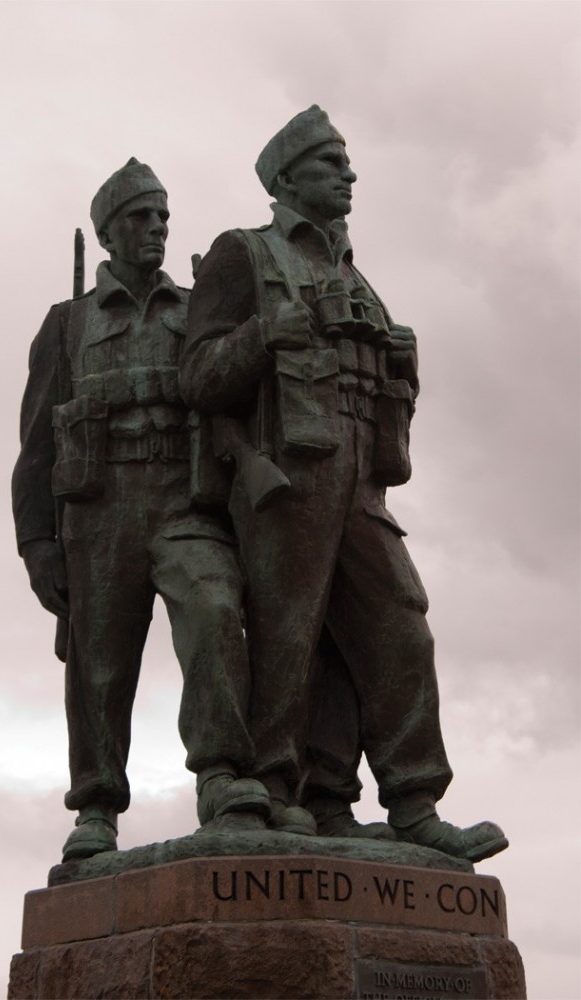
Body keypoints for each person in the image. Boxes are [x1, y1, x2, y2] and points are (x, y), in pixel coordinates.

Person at [180, 107, 508, 861]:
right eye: (332, 163)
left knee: (399, 622)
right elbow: (197, 378)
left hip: (361, 479)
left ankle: (414, 801)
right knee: (289, 635)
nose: (350, 175)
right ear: (288, 178)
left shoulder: (355, 274)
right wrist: (267, 335)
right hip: (289, 474)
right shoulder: (245, 254)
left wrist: (402, 363)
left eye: (348, 163)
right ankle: (276, 789)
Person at [12, 159, 271, 862]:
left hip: (184, 500)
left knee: (216, 609)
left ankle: (222, 775)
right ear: (107, 233)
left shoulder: (196, 310)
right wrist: (38, 543)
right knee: (99, 661)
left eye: (161, 216)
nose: (155, 228)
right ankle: (96, 805)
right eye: (139, 217)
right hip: (99, 512)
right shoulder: (68, 326)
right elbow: (36, 446)